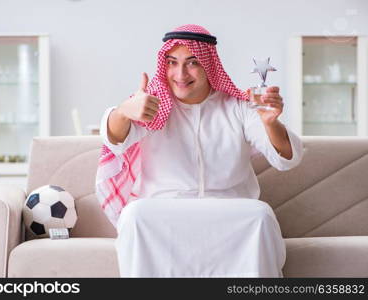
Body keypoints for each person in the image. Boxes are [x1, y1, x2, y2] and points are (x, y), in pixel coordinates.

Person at [96, 24, 303, 277]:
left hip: (229, 214)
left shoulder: (237, 107)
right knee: (135, 214)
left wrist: (271, 123)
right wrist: (123, 111)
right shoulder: (151, 105)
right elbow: (116, 139)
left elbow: (286, 160)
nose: (180, 73)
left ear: (209, 64)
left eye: (192, 62)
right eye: (172, 62)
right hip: (163, 214)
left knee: (260, 214)